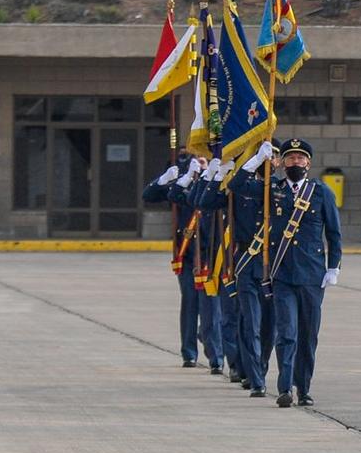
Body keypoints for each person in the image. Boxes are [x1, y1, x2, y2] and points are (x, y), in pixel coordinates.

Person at [198, 140, 284, 399]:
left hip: (274, 265)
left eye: (273, 156)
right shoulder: (240, 187)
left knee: (270, 327)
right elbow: (204, 201)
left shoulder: (281, 189)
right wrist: (218, 174)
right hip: (246, 262)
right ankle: (255, 378)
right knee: (250, 322)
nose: (270, 160)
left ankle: (260, 366)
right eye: (264, 155)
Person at [266, 138, 343, 408]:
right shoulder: (272, 190)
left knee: (308, 334)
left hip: (312, 275)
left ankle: (304, 388)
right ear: (282, 163)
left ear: (308, 163)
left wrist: (334, 266)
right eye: (290, 158)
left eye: (300, 158)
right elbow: (241, 190)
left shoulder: (321, 192)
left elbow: (333, 233)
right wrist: (257, 163)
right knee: (287, 333)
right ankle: (285, 387)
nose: (295, 163)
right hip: (283, 274)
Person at [143, 150, 223, 372]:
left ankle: (216, 353)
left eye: (204, 160)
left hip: (209, 255)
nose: (199, 164)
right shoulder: (183, 185)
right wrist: (165, 179)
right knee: (190, 302)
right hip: (187, 255)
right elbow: (149, 195)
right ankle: (189, 353)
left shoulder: (216, 184)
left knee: (213, 308)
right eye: (194, 161)